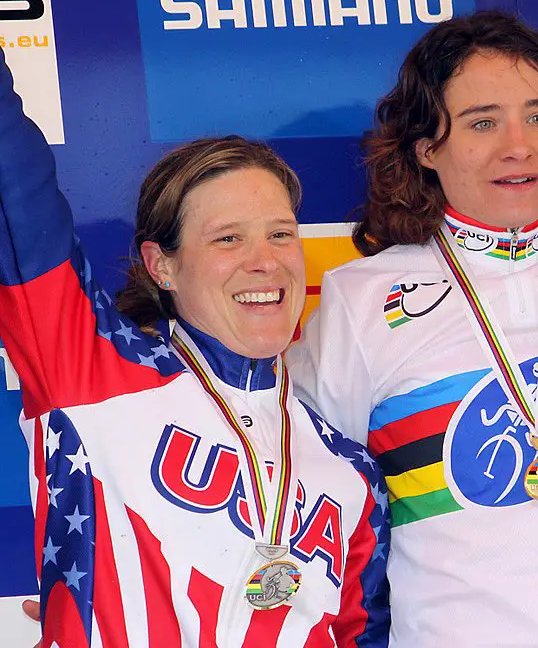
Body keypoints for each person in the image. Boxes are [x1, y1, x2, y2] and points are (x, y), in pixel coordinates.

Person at [286, 10, 538, 646]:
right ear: (426, 147)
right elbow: (307, 501)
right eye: (483, 123)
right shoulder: (361, 299)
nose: (520, 145)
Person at [0, 50, 389, 646]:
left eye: (281, 234)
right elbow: (15, 188)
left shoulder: (351, 473)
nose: (266, 262)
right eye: (228, 239)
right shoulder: (93, 372)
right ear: (163, 267)